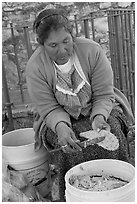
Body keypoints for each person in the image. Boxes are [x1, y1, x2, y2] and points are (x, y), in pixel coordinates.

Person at [26, 8, 134, 200]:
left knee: (113, 132)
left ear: (72, 35)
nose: (62, 50)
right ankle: (78, 196)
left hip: (98, 107)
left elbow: (103, 94)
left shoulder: (92, 51)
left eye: (66, 41)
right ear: (41, 44)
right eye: (53, 45)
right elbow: (49, 108)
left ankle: (117, 194)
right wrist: (61, 128)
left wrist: (100, 117)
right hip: (56, 118)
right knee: (70, 145)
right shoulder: (35, 67)